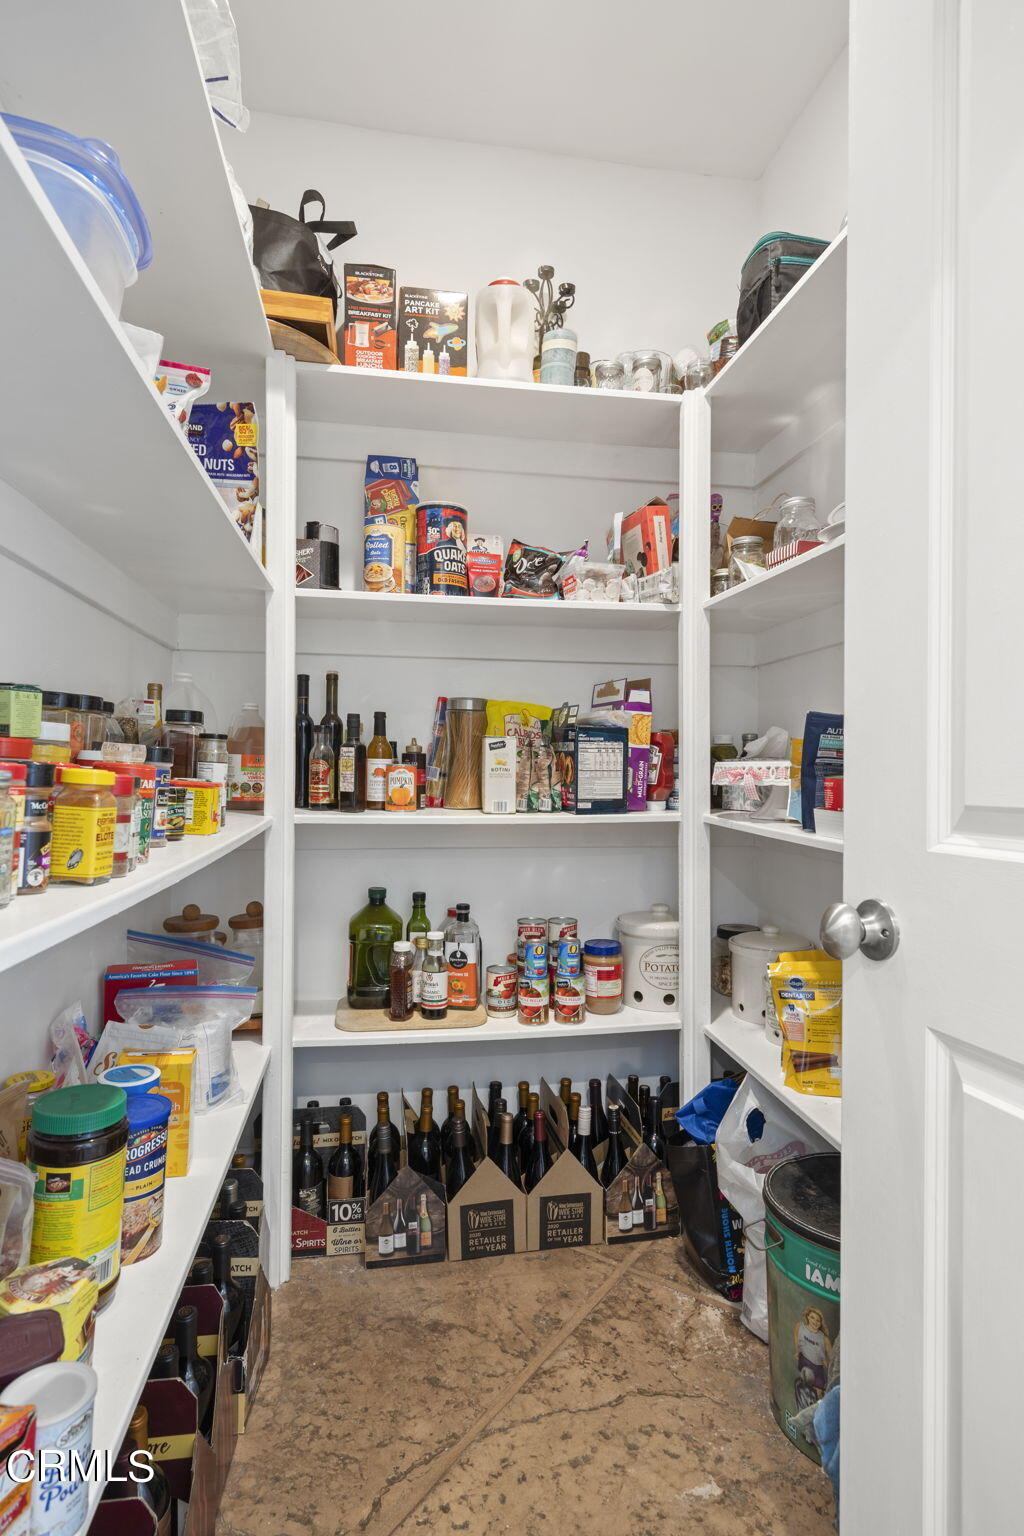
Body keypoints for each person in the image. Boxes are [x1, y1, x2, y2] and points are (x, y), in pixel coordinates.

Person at [795, 1305, 832, 1398]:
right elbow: (796, 1338)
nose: (815, 1322)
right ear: (807, 1316)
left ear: (821, 1323)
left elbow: (831, 1356)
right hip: (805, 1362)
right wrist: (797, 1351)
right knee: (806, 1383)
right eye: (812, 1317)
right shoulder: (800, 1327)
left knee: (818, 1391)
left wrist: (826, 1362)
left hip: (817, 1367)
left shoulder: (824, 1338)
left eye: (818, 1320)